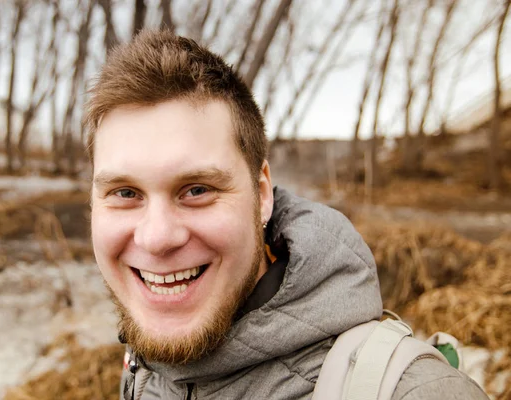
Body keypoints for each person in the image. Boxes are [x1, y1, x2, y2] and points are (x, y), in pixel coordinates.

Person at [84, 30, 488, 400]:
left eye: (197, 190)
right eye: (124, 192)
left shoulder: (416, 392)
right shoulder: (143, 369)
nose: (156, 238)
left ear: (261, 196)